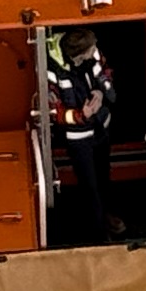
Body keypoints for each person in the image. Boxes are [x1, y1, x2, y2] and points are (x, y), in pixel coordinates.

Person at [40, 29, 119, 246]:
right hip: (78, 137)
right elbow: (54, 112)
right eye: (91, 51)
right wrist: (80, 115)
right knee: (89, 186)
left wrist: (102, 94)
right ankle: (100, 236)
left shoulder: (91, 52)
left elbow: (106, 75)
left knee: (104, 176)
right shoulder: (51, 69)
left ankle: (107, 215)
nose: (96, 53)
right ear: (78, 55)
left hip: (101, 127)